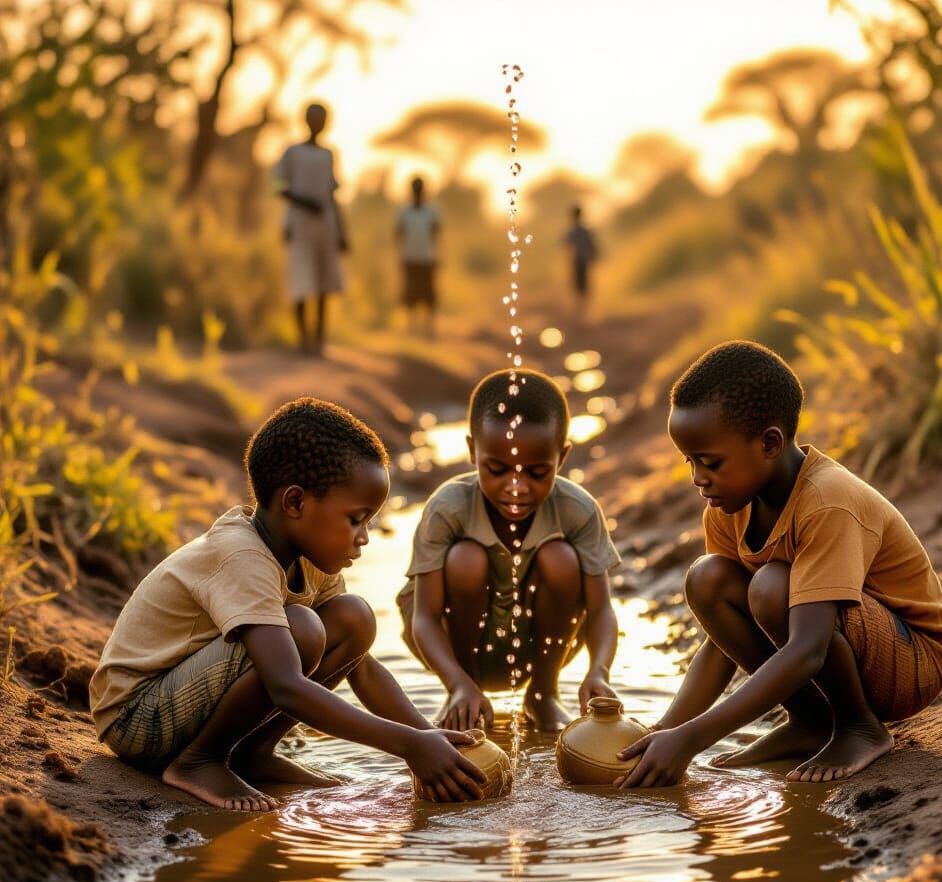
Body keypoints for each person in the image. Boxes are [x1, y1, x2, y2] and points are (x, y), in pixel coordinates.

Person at [90, 398, 487, 811]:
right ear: (295, 503)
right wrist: (408, 746)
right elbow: (286, 686)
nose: (365, 537)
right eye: (356, 519)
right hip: (138, 718)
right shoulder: (241, 556)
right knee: (302, 629)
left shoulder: (309, 558)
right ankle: (199, 762)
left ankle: (250, 755)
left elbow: (362, 668)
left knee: (355, 619)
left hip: (184, 705)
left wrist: (429, 737)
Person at [617, 340, 942, 787]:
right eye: (690, 462)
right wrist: (664, 730)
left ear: (770, 443)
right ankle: (813, 722)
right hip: (830, 644)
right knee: (708, 580)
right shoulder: (728, 507)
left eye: (710, 463)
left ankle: (859, 727)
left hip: (911, 659)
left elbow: (808, 648)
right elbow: (722, 643)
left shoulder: (826, 502)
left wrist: (694, 739)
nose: (698, 479)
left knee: (772, 586)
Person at [398, 369, 621, 732]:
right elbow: (424, 617)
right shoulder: (448, 508)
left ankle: (544, 695)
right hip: (451, 650)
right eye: (497, 469)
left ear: (561, 458)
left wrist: (599, 672)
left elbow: (601, 612)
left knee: (560, 558)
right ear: (472, 450)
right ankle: (465, 695)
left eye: (536, 472)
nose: (516, 488)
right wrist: (457, 684)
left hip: (540, 648)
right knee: (464, 559)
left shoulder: (577, 510)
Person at [273, 102, 349, 355]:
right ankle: (302, 339)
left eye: (323, 118)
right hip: (299, 222)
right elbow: (278, 186)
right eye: (314, 118)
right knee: (301, 280)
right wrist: (303, 201)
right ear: (305, 120)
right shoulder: (292, 152)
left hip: (325, 223)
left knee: (324, 282)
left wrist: (342, 230)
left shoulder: (328, 154)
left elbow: (333, 194)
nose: (319, 123)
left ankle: (319, 341)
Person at [395, 176, 441, 336]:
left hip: (426, 258)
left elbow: (436, 234)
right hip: (410, 258)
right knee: (411, 295)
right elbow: (398, 234)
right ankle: (412, 328)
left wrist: (437, 255)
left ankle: (429, 329)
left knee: (428, 296)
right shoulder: (404, 212)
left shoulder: (431, 212)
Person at [564, 204, 598, 316]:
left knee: (580, 285)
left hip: (579, 260)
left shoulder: (574, 231)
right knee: (582, 285)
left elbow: (567, 245)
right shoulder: (584, 230)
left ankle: (582, 309)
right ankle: (582, 309)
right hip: (581, 260)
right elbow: (592, 245)